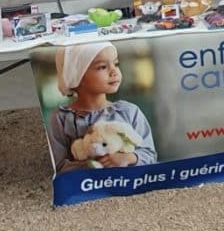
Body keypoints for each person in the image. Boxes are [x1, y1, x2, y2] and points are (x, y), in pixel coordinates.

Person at [47, 42, 157, 172]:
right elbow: (58, 166)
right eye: (102, 67)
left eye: (116, 64)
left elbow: (150, 155)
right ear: (77, 75)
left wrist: (127, 158)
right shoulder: (61, 119)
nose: (114, 72)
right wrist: (91, 165)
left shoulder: (129, 111)